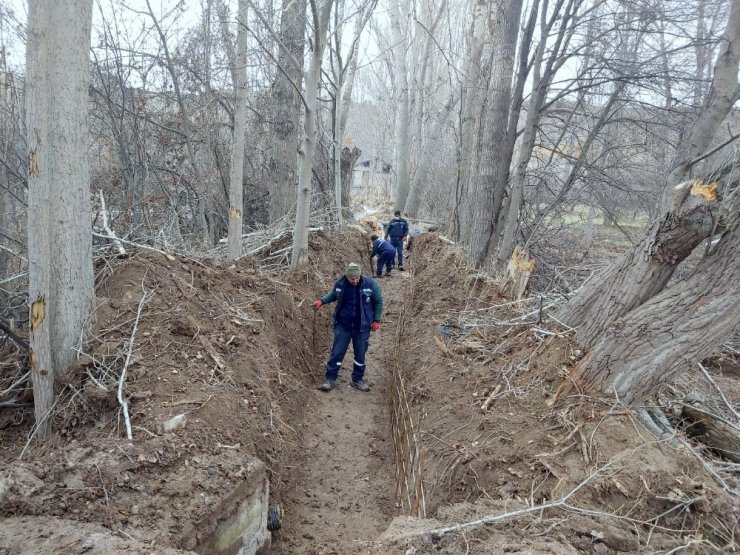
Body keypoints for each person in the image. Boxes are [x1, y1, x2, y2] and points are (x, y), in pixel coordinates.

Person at [312, 263, 383, 392]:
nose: (355, 281)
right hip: (343, 325)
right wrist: (322, 301)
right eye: (352, 279)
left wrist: (377, 320)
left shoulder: (370, 284)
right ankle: (330, 379)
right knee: (337, 353)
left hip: (362, 327)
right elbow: (333, 295)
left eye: (357, 278)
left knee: (360, 355)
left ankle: (357, 379)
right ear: (347, 276)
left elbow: (378, 301)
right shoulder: (341, 284)